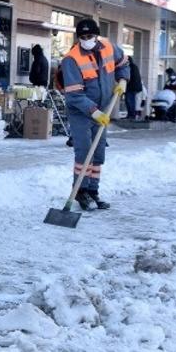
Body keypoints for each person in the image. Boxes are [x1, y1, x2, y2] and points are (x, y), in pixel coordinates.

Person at [58, 17, 129, 211]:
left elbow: (123, 63)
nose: (86, 39)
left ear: (97, 35)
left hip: (103, 109)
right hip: (81, 113)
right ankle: (81, 192)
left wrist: (123, 79)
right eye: (82, 37)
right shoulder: (71, 59)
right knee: (84, 151)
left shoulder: (108, 47)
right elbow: (74, 95)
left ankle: (93, 191)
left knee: (98, 153)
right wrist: (94, 112)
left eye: (90, 36)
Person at [124, 55, 143, 120]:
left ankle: (131, 115)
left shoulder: (130, 67)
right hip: (133, 87)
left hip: (131, 87)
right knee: (130, 101)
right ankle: (131, 115)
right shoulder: (133, 67)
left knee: (130, 101)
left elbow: (129, 78)